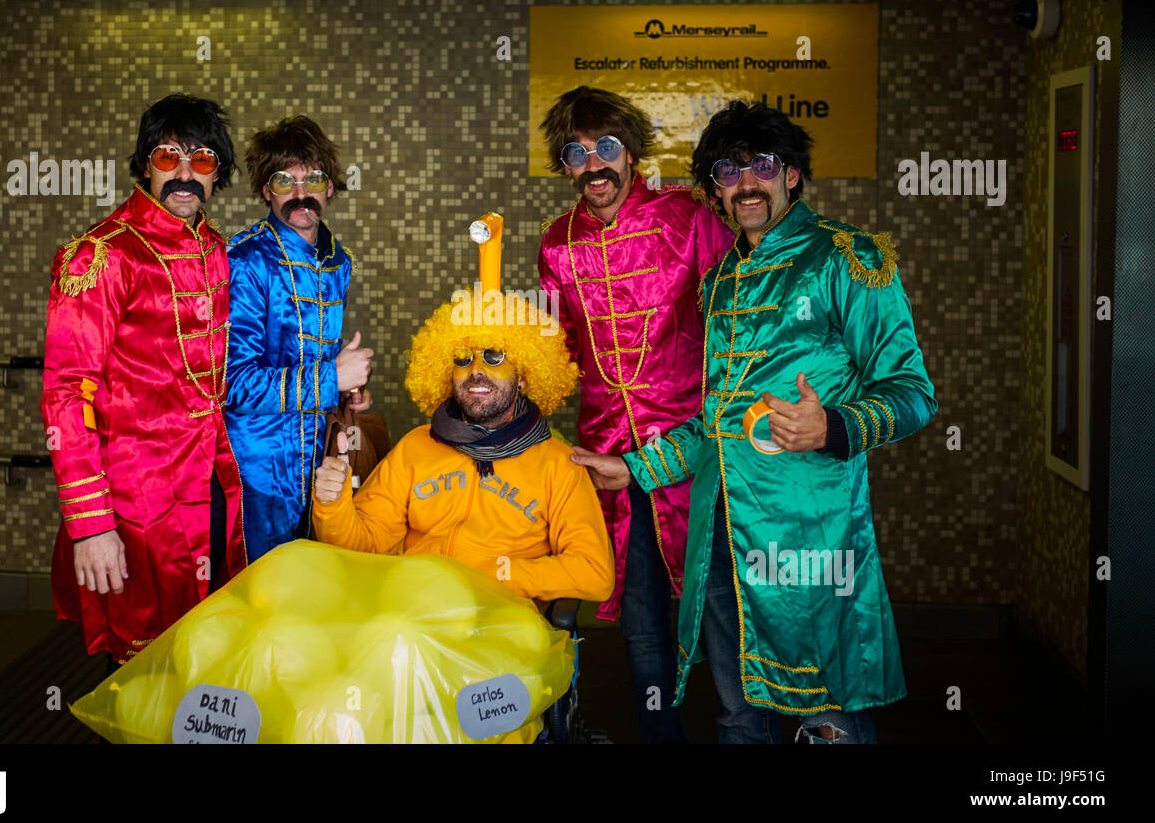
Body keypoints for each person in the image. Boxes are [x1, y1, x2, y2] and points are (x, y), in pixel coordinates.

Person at [573, 101, 937, 743]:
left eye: (761, 166)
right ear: (714, 185)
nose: (745, 184)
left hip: (812, 539)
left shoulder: (845, 258)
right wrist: (629, 468)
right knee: (740, 717)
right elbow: (714, 425)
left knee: (829, 717)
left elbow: (912, 391)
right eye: (727, 171)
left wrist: (834, 426)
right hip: (722, 541)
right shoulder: (718, 282)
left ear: (791, 174)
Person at [536, 86, 733, 742]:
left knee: (720, 607)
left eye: (607, 148)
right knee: (642, 615)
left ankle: (745, 728)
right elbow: (555, 354)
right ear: (565, 166)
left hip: (696, 452)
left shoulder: (690, 220)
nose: (594, 165)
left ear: (633, 154)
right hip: (609, 460)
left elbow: (734, 333)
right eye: (577, 152)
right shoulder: (556, 244)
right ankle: (659, 733)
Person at [42, 92, 247, 668]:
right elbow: (65, 393)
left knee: (206, 644)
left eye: (203, 160)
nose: (185, 175)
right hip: (136, 503)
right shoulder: (99, 257)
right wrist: (90, 526)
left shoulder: (214, 249)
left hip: (211, 483)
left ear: (218, 173)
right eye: (168, 157)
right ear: (144, 164)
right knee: (146, 659)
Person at [312, 243, 614, 607]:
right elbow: (362, 546)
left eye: (494, 356)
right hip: (412, 613)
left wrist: (501, 575)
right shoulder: (417, 447)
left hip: (501, 620)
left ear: (523, 375)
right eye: (462, 357)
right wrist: (332, 504)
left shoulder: (558, 465)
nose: (475, 371)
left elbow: (594, 574)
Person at [224, 116, 371, 562]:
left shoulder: (337, 260)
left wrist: (349, 391)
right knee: (263, 591)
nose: (301, 193)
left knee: (317, 581)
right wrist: (332, 378)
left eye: (315, 178)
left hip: (321, 456)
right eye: (285, 180)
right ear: (266, 191)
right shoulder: (244, 261)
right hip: (259, 466)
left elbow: (318, 357)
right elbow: (234, 384)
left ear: (331, 188)